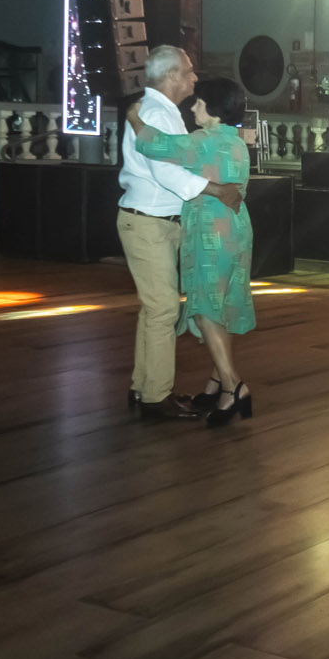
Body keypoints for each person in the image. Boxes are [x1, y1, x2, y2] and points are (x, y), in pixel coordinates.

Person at [116, 45, 243, 421]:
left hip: (152, 219)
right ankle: (155, 397)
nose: (194, 78)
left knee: (155, 309)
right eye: (189, 71)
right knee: (164, 309)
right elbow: (166, 170)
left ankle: (144, 387)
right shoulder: (157, 112)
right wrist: (217, 190)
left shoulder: (159, 111)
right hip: (149, 220)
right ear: (171, 75)